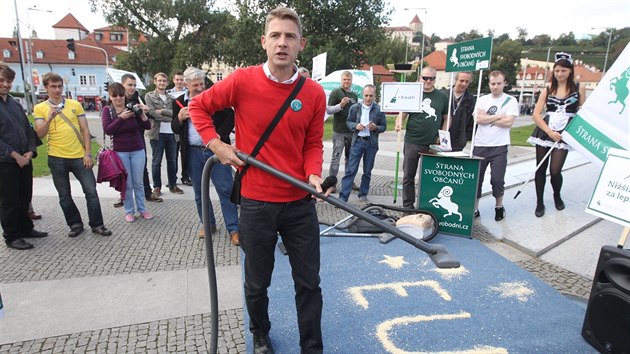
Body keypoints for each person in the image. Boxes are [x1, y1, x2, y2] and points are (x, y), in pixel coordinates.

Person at [188, 6, 329, 353]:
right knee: (256, 283)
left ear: (301, 44)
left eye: (290, 37)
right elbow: (198, 107)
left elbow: (312, 143)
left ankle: (312, 346)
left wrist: (313, 174)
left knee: (309, 283)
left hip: (299, 203)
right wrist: (216, 144)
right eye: (276, 36)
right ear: (264, 41)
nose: (283, 43)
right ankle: (260, 333)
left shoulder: (314, 93)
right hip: (256, 203)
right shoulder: (241, 80)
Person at [33, 72, 112, 237]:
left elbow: (85, 130)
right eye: (53, 86)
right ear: (46, 87)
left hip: (78, 155)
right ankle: (75, 223)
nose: (57, 90)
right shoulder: (40, 108)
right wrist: (48, 118)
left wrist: (88, 154)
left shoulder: (74, 104)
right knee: (64, 195)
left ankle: (97, 224)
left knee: (91, 191)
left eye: (59, 86)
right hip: (56, 157)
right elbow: (39, 134)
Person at [171, 67, 239, 244]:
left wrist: (216, 136)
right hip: (192, 152)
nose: (200, 88)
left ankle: (234, 228)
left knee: (225, 189)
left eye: (202, 84)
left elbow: (230, 117)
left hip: (215, 150)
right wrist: (178, 118)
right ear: (186, 84)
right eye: (195, 85)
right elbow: (174, 128)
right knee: (200, 192)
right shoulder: (178, 102)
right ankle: (208, 224)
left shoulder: (213, 96)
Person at [527, 52, 585, 217]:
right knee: (540, 168)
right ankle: (539, 202)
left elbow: (582, 113)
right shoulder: (547, 89)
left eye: (563, 71)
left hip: (565, 132)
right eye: (557, 71)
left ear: (570, 71)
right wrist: (549, 132)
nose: (560, 74)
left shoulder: (579, 88)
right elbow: (536, 115)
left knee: (555, 170)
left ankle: (557, 195)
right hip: (546, 131)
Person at [0, 63, 47, 250]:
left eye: (9, 81)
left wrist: (30, 150)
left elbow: (27, 129)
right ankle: (12, 236)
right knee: (9, 200)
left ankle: (26, 228)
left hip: (25, 158)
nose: (5, 84)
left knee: (24, 196)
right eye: (2, 80)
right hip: (5, 162)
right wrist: (14, 155)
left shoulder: (13, 103)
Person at [395, 66, 449, 209]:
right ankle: (408, 206)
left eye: (431, 78)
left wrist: (442, 135)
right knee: (408, 176)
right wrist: (399, 122)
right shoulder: (413, 94)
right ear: (420, 78)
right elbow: (403, 113)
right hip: (412, 140)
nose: (428, 81)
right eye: (425, 78)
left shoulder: (442, 96)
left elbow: (447, 118)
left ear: (435, 80)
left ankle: (428, 205)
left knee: (431, 176)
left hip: (432, 143)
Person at [102, 82, 153, 223]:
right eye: (115, 95)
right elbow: (108, 129)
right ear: (110, 97)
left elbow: (147, 125)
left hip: (137, 149)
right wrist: (121, 118)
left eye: (121, 95)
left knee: (138, 183)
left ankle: (142, 209)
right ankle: (129, 211)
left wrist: (142, 114)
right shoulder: (108, 110)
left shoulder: (132, 107)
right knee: (128, 183)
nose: (118, 98)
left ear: (125, 95)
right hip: (120, 151)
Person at [472, 70, 519, 221]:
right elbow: (477, 119)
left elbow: (509, 122)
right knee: (477, 179)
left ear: (504, 83)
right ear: (489, 84)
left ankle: (499, 206)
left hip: (499, 146)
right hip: (480, 144)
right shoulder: (482, 99)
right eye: (493, 84)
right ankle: (475, 208)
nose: (495, 87)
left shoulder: (510, 100)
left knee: (497, 179)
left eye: (499, 83)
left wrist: (488, 117)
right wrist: (499, 116)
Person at [339, 84, 386, 203]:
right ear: (363, 95)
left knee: (367, 170)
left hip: (371, 143)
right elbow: (348, 122)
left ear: (375, 95)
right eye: (366, 95)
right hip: (357, 141)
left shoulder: (379, 109)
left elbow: (384, 126)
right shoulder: (355, 107)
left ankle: (363, 194)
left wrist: (375, 127)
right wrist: (356, 126)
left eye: (371, 95)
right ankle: (343, 197)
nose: (368, 98)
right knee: (351, 170)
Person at [120, 74, 162, 204]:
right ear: (123, 85)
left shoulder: (139, 98)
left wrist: (146, 111)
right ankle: (123, 196)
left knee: (142, 167)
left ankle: (147, 193)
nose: (132, 88)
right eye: (129, 85)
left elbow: (147, 121)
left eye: (134, 85)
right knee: (122, 169)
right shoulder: (118, 99)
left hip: (138, 136)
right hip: (121, 139)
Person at [145, 72, 182, 197]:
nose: (162, 83)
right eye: (159, 80)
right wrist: (167, 115)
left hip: (172, 133)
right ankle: (157, 187)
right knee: (156, 161)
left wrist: (163, 112)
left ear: (167, 83)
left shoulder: (172, 98)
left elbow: (176, 114)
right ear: (155, 81)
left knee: (172, 160)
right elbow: (151, 113)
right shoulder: (149, 96)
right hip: (157, 133)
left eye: (164, 81)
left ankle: (173, 185)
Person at [327, 70, 359, 192]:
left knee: (350, 158)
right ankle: (331, 183)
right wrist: (340, 105)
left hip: (351, 131)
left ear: (351, 81)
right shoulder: (336, 92)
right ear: (341, 80)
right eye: (344, 79)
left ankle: (349, 182)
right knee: (336, 157)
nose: (346, 81)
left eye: (348, 79)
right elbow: (328, 110)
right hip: (339, 131)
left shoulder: (354, 96)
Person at [168, 70, 193, 186]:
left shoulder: (189, 93)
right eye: (177, 79)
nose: (179, 82)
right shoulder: (169, 94)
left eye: (181, 79)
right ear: (173, 80)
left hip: (184, 129)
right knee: (172, 156)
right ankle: (173, 179)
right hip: (172, 128)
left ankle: (185, 176)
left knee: (184, 153)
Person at [445, 71, 476, 152]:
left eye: (467, 81)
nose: (464, 84)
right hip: (442, 140)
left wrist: (465, 137)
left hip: (458, 142)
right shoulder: (444, 95)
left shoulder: (471, 99)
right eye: (461, 81)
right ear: (456, 80)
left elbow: (472, 122)